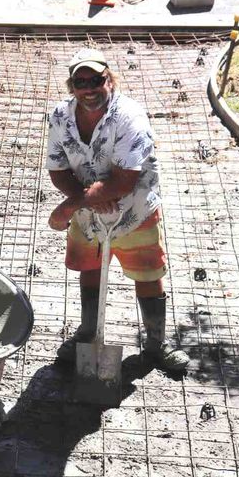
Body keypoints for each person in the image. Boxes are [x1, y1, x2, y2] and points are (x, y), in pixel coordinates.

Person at [46, 48, 189, 373]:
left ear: (108, 79)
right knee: (91, 268)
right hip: (88, 217)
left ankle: (156, 344)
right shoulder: (60, 116)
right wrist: (87, 200)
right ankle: (88, 334)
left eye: (96, 80)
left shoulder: (129, 117)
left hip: (133, 212)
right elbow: (58, 170)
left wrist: (71, 205)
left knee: (148, 274)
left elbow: (124, 180)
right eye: (81, 82)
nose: (89, 88)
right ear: (72, 86)